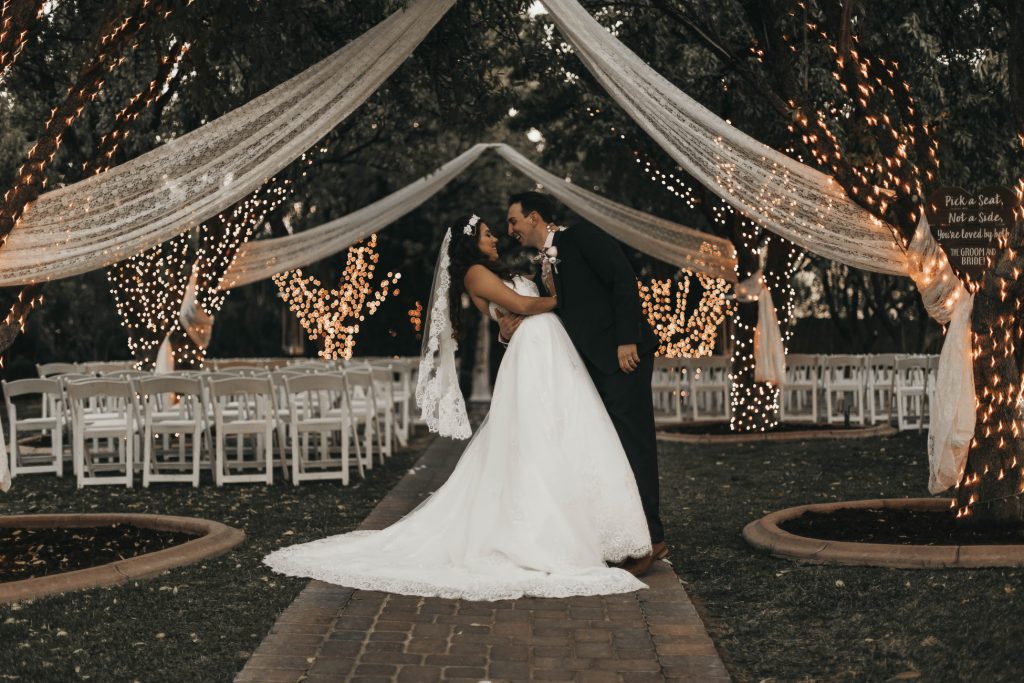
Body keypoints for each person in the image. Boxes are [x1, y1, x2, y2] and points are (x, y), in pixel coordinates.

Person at [263, 213, 652, 601]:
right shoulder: (475, 275)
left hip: (549, 351)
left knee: (565, 434)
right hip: (535, 354)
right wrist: (570, 302)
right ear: (472, 243)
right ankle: (549, 531)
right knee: (536, 439)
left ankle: (594, 528)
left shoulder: (496, 269)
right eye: (488, 234)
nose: (497, 237)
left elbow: (518, 309)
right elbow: (520, 304)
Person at [503, 192, 666, 576]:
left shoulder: (582, 238)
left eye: (513, 221)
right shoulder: (542, 263)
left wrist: (627, 339)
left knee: (634, 442)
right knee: (609, 448)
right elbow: (557, 312)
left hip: (623, 356)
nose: (510, 230)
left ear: (534, 216)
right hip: (589, 364)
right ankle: (624, 535)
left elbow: (623, 280)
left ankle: (653, 538)